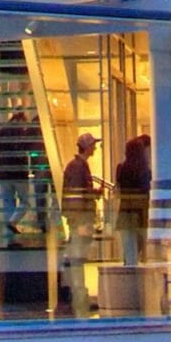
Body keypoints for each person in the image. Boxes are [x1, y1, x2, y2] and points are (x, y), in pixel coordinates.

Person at [61, 133, 99, 317]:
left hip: (80, 219)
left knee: (78, 258)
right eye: (93, 145)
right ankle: (78, 296)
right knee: (77, 258)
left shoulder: (78, 166)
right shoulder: (78, 167)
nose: (95, 148)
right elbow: (76, 197)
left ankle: (79, 294)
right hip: (80, 220)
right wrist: (79, 222)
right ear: (87, 147)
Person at [114, 133, 152, 268]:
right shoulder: (145, 170)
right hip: (141, 213)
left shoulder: (121, 168)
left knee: (129, 248)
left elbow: (118, 190)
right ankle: (135, 275)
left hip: (125, 212)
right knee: (139, 246)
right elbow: (147, 190)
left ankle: (129, 271)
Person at [0, 109, 34, 242]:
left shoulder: (3, 131)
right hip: (19, 173)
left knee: (8, 202)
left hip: (4, 174)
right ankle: (12, 223)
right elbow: (24, 149)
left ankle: (10, 233)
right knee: (25, 201)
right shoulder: (21, 132)